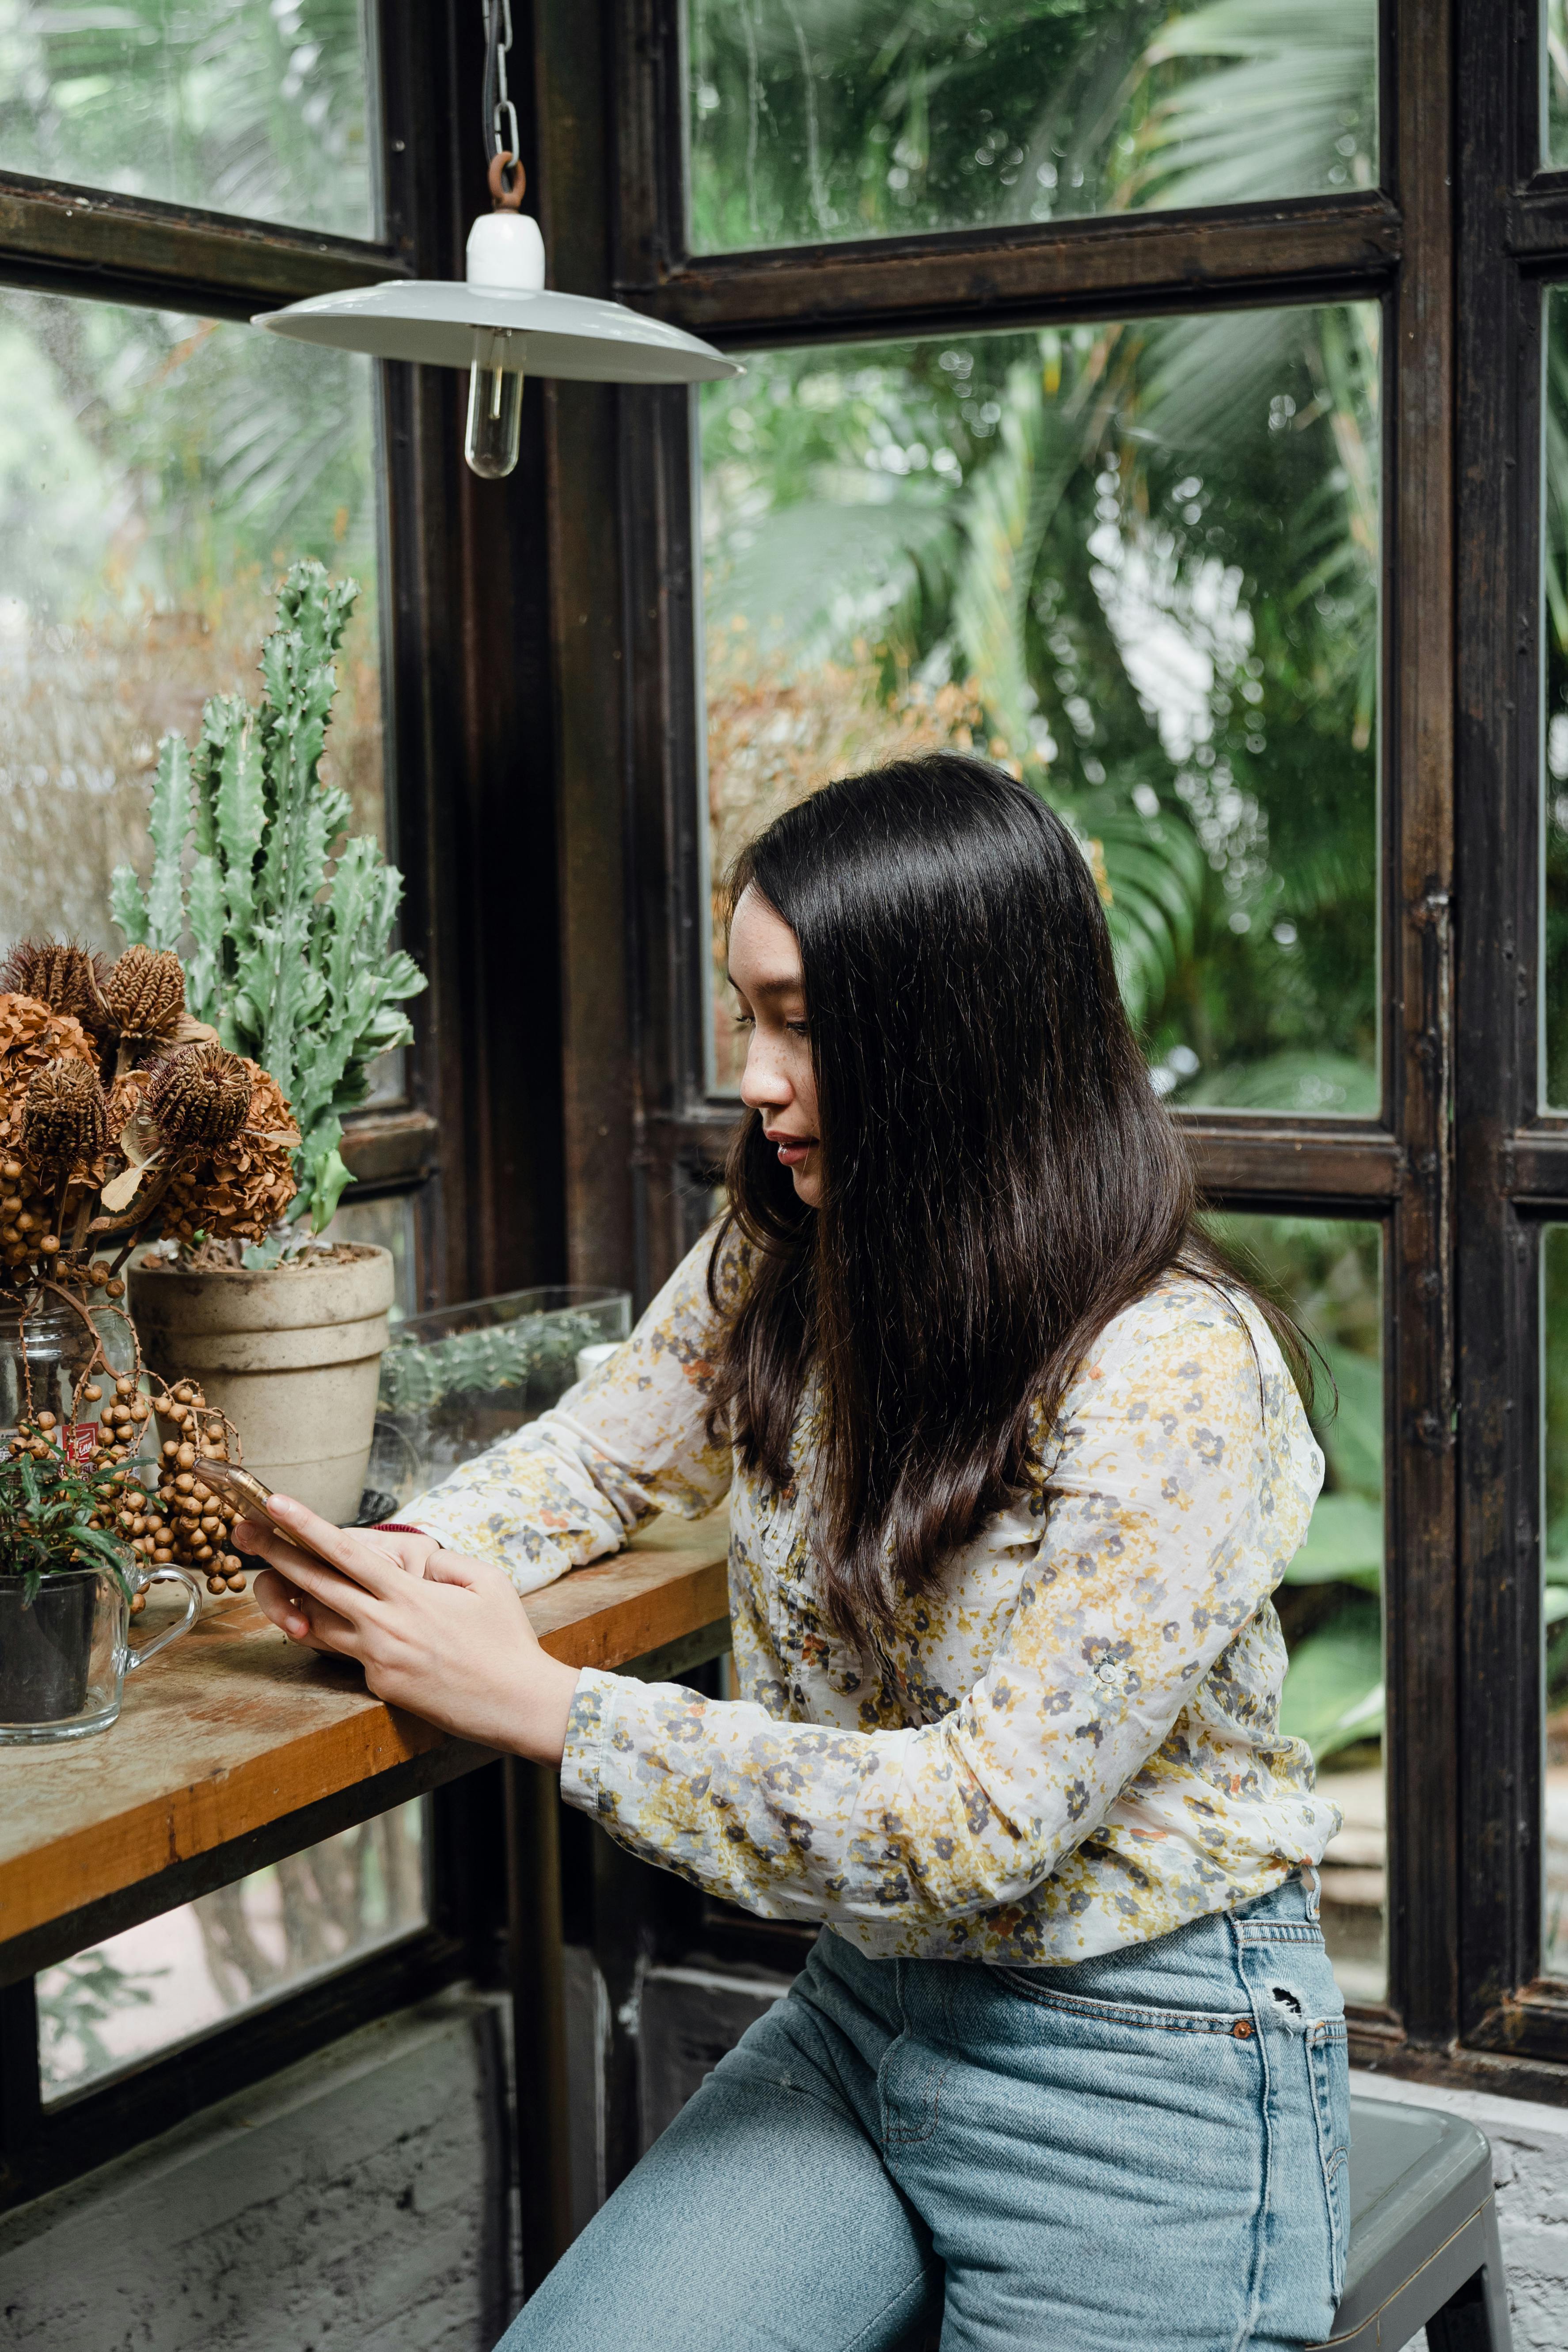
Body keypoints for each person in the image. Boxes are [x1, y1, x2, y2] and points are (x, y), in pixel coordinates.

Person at [239, 755, 1349, 2352]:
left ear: (956, 1033)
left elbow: (980, 1823)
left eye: (805, 1023)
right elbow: (606, 1451)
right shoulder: (792, 1238)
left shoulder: (1177, 1372)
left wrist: (552, 1707)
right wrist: (397, 1557)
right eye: (748, 1015)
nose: (756, 1078)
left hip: (1144, 2051)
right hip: (866, 2009)